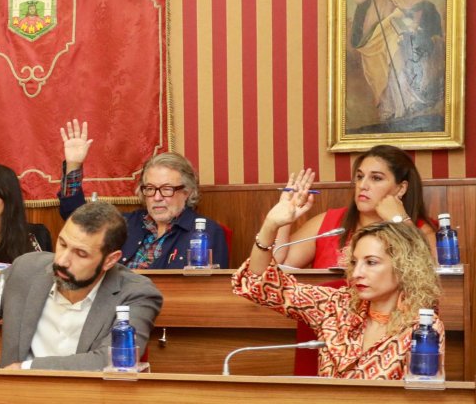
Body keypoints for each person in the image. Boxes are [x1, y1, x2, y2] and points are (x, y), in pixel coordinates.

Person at [0, 189, 163, 370]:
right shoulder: (27, 270)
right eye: (63, 243)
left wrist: (26, 370)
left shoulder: (137, 293)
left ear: (110, 260)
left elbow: (111, 360)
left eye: (81, 254)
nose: (63, 260)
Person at [234, 173, 442, 379]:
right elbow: (260, 284)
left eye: (371, 262)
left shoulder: (423, 328)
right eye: (354, 262)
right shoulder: (335, 305)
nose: (357, 273)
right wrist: (270, 225)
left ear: (404, 267)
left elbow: (423, 397)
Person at [57, 121, 228, 269]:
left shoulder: (206, 232)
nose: (157, 197)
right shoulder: (125, 224)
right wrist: (74, 165)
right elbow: (79, 220)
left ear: (187, 191)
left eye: (167, 189)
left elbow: (210, 290)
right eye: (150, 188)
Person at [274, 145, 434, 269]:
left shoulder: (420, 229)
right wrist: (284, 219)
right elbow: (278, 266)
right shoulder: (329, 223)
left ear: (401, 188)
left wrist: (399, 221)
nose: (363, 185)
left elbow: (430, 278)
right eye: (359, 177)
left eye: (376, 178)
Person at [350, 0, 444, 128]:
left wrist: (414, 25)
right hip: (382, 30)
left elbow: (417, 6)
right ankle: (390, 108)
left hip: (401, 27)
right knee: (383, 68)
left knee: (398, 60)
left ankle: (408, 102)